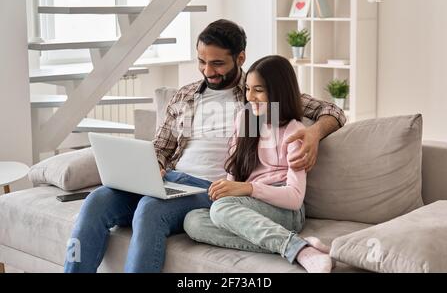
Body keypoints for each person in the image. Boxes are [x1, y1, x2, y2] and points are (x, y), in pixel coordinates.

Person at [64, 19, 346, 273]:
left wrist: (314, 134)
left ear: (240, 57)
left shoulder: (257, 96)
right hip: (172, 180)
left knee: (150, 209)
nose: (207, 71)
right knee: (97, 200)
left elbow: (332, 111)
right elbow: (160, 148)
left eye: (218, 64)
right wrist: (155, 166)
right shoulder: (185, 95)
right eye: (201, 61)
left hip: (210, 188)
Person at [183, 55, 333, 273]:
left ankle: (298, 250)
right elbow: (235, 170)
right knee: (193, 221)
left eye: (259, 90)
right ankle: (297, 245)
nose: (250, 97)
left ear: (278, 91)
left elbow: (294, 198)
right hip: (250, 205)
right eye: (247, 89)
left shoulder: (293, 132)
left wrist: (246, 189)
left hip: (285, 210)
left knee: (222, 209)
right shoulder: (247, 121)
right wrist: (229, 190)